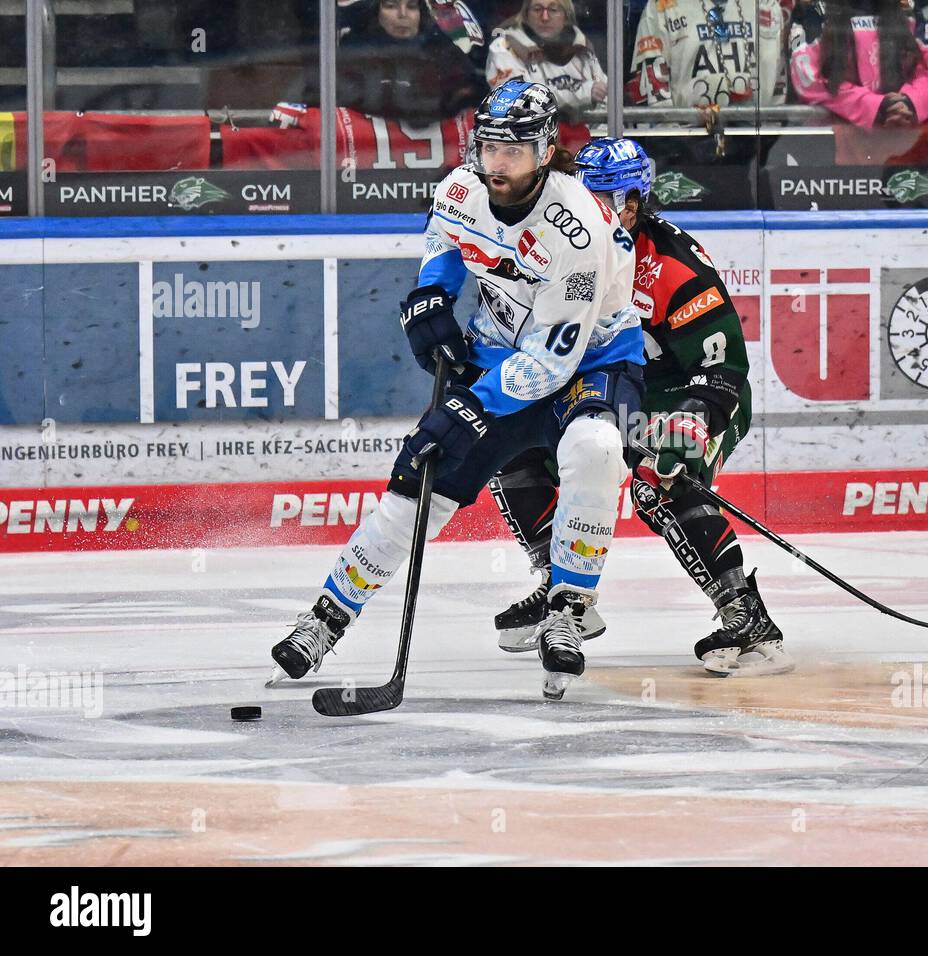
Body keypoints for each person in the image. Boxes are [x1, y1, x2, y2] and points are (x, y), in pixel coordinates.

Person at [270, 80, 645, 701]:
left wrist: (471, 404)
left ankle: (569, 607)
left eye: (514, 151)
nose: (497, 164)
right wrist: (431, 298)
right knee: (422, 471)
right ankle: (327, 616)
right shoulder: (462, 187)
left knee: (597, 448)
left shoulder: (577, 228)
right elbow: (447, 241)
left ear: (547, 151)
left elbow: (553, 360)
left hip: (591, 363)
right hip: (501, 353)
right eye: (490, 146)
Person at [489, 137, 792, 678]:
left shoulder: (672, 266)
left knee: (660, 480)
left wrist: (689, 421)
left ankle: (747, 617)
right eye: (590, 194)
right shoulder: (555, 249)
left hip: (687, 394)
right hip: (605, 388)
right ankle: (563, 588)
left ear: (636, 200)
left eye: (614, 197)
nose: (601, 208)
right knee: (508, 445)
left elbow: (723, 371)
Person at [790, 0, 928, 127]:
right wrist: (875, 106)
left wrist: (908, 102)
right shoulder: (816, 15)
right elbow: (806, 77)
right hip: (838, 150)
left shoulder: (911, 16)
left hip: (905, 143)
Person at [335, 0, 488, 124]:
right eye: (390, 6)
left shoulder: (442, 52)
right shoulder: (354, 52)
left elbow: (472, 90)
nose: (403, 15)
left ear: (421, 13)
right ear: (376, 13)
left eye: (412, 6)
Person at [627, 0, 789, 108]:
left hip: (754, 147)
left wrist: (767, 135)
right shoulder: (660, 7)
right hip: (685, 145)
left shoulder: (768, 5)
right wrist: (677, 143)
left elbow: (778, 89)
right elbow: (651, 98)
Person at [486, 0, 609, 111]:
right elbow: (516, 100)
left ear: (566, 16)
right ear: (526, 15)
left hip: (585, 131)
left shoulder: (581, 48)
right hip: (528, 133)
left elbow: (605, 96)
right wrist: (584, 94)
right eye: (537, 9)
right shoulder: (504, 47)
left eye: (553, 10)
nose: (545, 17)